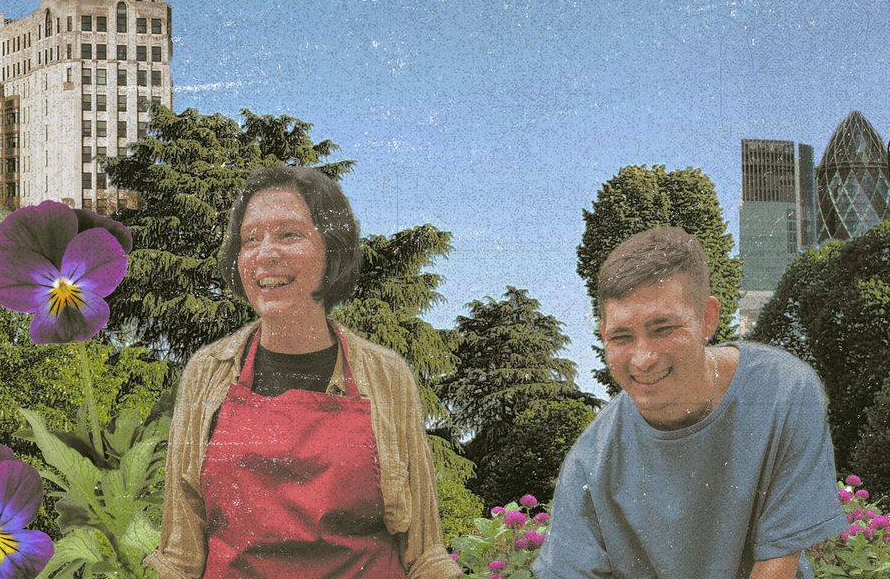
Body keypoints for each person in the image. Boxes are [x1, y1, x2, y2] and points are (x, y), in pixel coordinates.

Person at [146, 167, 459, 578]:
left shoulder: (386, 374)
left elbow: (424, 552)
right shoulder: (208, 372)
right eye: (250, 239)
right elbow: (181, 555)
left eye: (288, 234)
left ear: (332, 249)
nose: (264, 254)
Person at [535, 227, 846, 579]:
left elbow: (776, 567)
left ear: (707, 319)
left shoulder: (785, 390)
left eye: (663, 329)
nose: (643, 359)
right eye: (621, 337)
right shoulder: (589, 461)